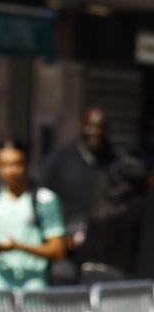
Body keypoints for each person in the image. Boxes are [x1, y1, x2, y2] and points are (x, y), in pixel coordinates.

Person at [40, 107, 144, 278]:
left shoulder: (116, 164)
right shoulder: (60, 160)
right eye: (90, 126)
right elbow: (44, 198)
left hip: (104, 251)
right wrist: (61, 235)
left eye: (100, 127)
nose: (95, 132)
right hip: (67, 248)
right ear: (82, 126)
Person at [0, 140, 70, 292]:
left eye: (16, 164)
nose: (10, 171)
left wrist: (19, 247)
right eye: (4, 165)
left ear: (27, 164)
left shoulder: (44, 200)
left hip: (33, 284)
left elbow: (57, 250)